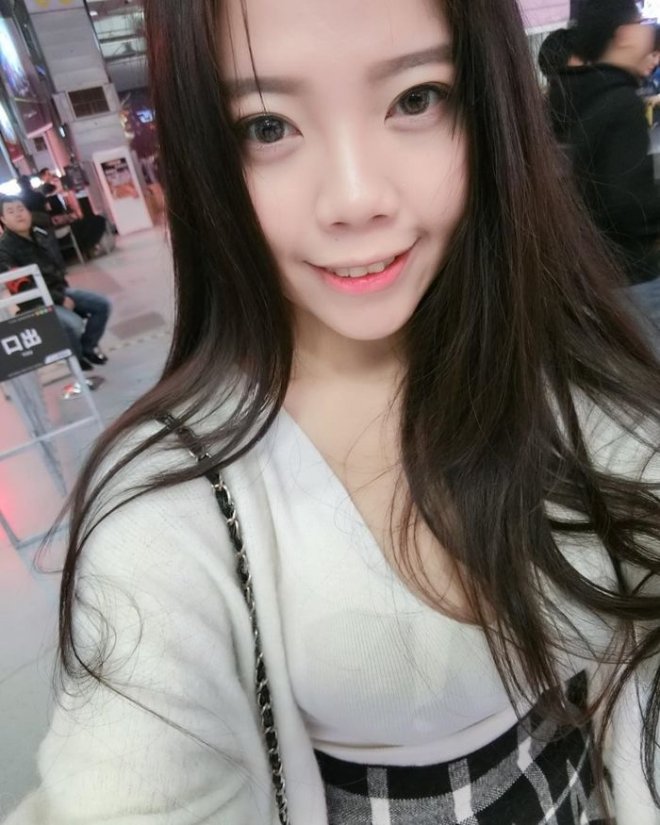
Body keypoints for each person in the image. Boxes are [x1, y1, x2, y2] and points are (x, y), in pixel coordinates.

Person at [2, 0, 660, 823]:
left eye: (416, 99)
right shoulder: (169, 507)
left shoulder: (573, 375)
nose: (355, 199)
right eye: (267, 126)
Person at [548, 0, 660, 341]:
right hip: (633, 272)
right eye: (641, 22)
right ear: (624, 35)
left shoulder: (571, 93)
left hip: (591, 271)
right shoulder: (621, 101)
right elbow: (626, 202)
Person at [0, 197, 110, 371]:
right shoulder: (4, 250)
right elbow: (22, 288)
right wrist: (60, 299)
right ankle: (76, 362)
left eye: (21, 209)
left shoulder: (39, 233)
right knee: (73, 323)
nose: (19, 215)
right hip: (35, 303)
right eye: (11, 212)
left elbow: (55, 265)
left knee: (102, 305)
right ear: (3, 219)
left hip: (59, 290)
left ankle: (85, 349)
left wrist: (63, 293)